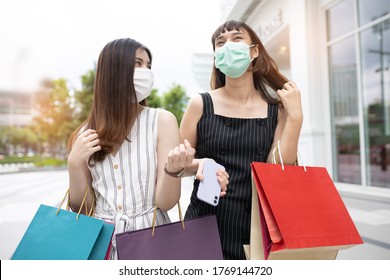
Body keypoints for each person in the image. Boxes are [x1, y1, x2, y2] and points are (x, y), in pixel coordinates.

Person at [180, 20, 303, 260]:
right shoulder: (199, 104)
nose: (228, 46)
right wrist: (199, 164)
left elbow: (279, 169)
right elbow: (178, 164)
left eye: (237, 39)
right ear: (216, 57)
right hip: (203, 222)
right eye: (220, 43)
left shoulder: (274, 110)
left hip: (255, 228)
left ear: (254, 51)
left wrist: (295, 117)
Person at [67, 38, 196, 259]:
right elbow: (84, 209)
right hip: (102, 246)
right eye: (137, 63)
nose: (145, 71)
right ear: (113, 71)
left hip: (153, 242)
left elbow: (165, 203)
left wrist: (173, 171)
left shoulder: (162, 121)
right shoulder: (85, 134)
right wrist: (74, 165)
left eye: (148, 66)